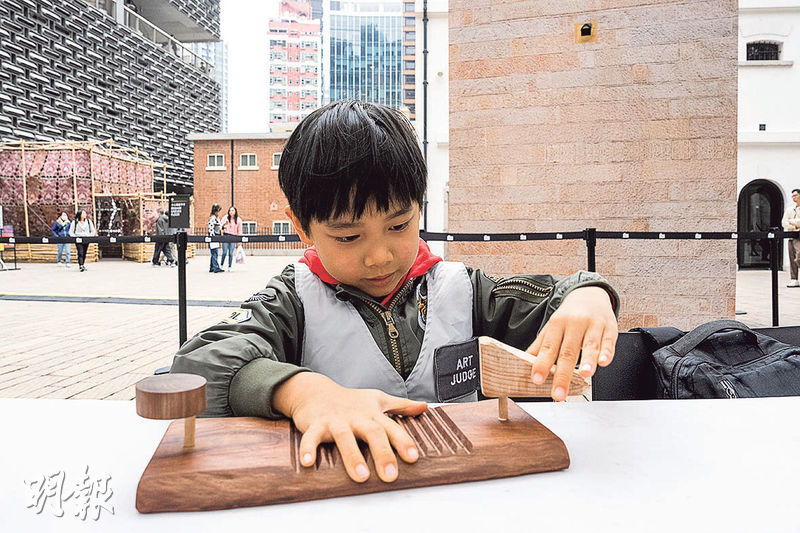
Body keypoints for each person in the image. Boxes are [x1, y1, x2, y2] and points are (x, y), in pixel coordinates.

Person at [171, 100, 620, 484]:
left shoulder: (463, 290)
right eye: (348, 237)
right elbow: (198, 367)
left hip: (464, 496)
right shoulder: (292, 301)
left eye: (399, 225)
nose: (380, 257)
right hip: (340, 498)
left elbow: (555, 298)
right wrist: (300, 392)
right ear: (301, 227)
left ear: (420, 207)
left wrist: (589, 295)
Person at [782, 188, 800, 287]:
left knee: (798, 256)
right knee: (792, 256)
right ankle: (794, 279)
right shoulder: (789, 209)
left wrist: (792, 222)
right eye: (792, 196)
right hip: (791, 235)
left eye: (795, 195)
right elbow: (784, 222)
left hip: (799, 236)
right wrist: (795, 225)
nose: (794, 198)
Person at [220, 206, 242, 271]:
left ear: (235, 211)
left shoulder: (238, 220)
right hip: (226, 236)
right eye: (230, 210)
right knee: (224, 252)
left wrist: (239, 241)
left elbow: (239, 230)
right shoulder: (225, 218)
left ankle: (229, 266)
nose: (231, 212)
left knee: (231, 253)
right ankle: (221, 265)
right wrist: (224, 225)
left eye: (232, 210)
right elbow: (220, 226)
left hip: (233, 237)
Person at [208, 204, 224, 273]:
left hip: (215, 236)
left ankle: (212, 267)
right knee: (214, 252)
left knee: (214, 252)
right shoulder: (213, 218)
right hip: (214, 236)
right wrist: (212, 237)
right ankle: (216, 267)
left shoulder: (215, 218)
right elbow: (211, 228)